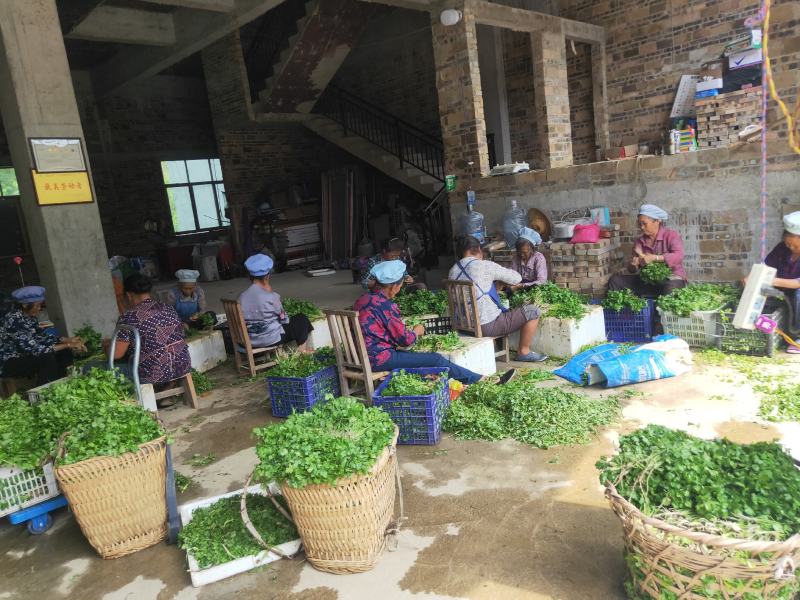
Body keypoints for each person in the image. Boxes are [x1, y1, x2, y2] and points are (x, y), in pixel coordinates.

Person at [354, 260, 501, 384]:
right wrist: (417, 331)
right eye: (400, 286)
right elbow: (406, 340)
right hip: (379, 359)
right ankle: (480, 380)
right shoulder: (386, 306)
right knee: (436, 359)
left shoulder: (362, 300)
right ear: (393, 286)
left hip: (363, 355)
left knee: (419, 358)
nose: (399, 290)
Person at [448, 236, 547, 362]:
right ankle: (524, 351)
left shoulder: (453, 270)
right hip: (487, 326)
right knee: (533, 311)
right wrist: (499, 279)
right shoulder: (485, 266)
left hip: (462, 325)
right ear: (479, 249)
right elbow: (516, 278)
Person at [109, 274, 190, 386]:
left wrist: (107, 345)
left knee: (92, 367)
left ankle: (133, 399)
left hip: (153, 375)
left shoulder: (128, 317)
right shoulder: (168, 308)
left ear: (128, 295)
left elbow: (116, 354)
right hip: (183, 366)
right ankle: (167, 389)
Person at [0, 286, 85, 385]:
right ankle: (46, 391)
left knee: (64, 352)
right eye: (36, 306)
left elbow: (42, 337)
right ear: (24, 305)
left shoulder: (30, 317)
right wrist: (69, 344)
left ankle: (65, 383)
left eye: (40, 305)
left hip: (25, 355)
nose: (39, 308)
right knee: (46, 358)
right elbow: (35, 350)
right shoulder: (14, 320)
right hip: (9, 362)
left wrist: (66, 340)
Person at [608, 204, 687, 296]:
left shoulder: (671, 235)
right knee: (615, 281)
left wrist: (655, 258)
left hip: (672, 278)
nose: (642, 227)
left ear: (657, 221)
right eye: (639, 224)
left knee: (670, 288)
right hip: (648, 280)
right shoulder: (639, 242)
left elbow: (679, 256)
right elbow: (632, 270)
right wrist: (633, 265)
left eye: (644, 224)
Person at [239, 253, 313, 350]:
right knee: (301, 319)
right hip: (271, 340)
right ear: (267, 276)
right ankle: (302, 351)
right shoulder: (271, 296)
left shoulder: (241, 297)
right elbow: (284, 319)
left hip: (249, 340)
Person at [764, 211, 800, 351]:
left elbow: (798, 283)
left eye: (795, 246)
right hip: (784, 293)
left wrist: (771, 281)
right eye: (788, 243)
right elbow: (766, 267)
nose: (791, 248)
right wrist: (753, 277)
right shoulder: (782, 248)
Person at [361, 238, 426, 292]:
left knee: (421, 286)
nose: (395, 258)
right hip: (383, 292)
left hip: (398, 289)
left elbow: (404, 274)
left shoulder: (397, 259)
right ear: (384, 251)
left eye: (397, 255)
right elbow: (365, 282)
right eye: (392, 255)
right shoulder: (374, 262)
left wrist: (408, 278)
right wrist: (382, 284)